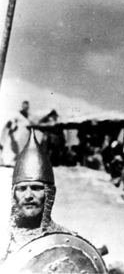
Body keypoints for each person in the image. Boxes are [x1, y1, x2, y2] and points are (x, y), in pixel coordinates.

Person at [0, 130, 69, 262]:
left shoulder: (63, 242)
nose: (28, 196)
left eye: (36, 188)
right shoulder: (2, 241)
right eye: (21, 189)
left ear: (49, 194)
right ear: (13, 194)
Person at [1, 100, 39, 167]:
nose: (25, 108)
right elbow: (10, 122)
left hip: (25, 136)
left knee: (22, 149)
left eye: (26, 106)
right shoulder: (17, 114)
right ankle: (6, 161)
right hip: (17, 134)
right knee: (12, 148)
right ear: (22, 106)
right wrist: (11, 130)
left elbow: (32, 123)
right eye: (24, 106)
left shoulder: (29, 116)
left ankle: (17, 162)